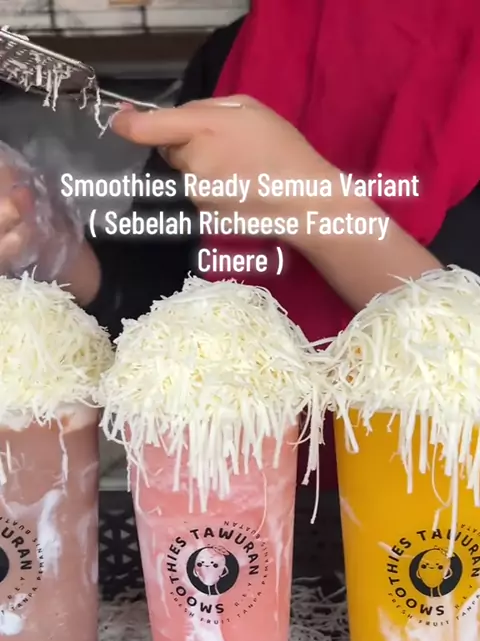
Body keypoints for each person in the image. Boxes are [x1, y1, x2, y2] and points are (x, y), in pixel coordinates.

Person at [1, 0, 480, 484]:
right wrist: (46, 241)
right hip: (231, 497)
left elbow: (460, 363)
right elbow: (163, 310)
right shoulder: (237, 52)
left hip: (435, 504)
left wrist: (313, 210)